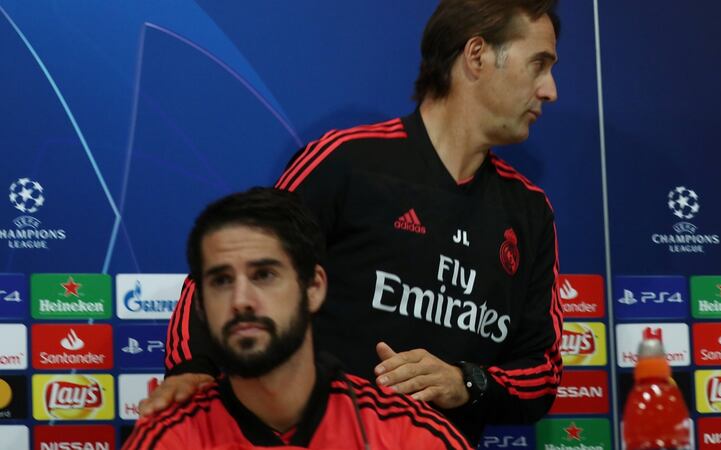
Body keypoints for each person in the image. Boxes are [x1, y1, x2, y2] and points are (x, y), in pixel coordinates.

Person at [142, 0, 563, 444]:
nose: (550, 90)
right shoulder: (347, 162)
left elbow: (541, 372)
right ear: (476, 55)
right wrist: (194, 369)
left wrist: (466, 382)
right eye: (538, 64)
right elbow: (231, 268)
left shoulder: (529, 211)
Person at [124, 188, 471, 449]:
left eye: (264, 275)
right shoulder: (168, 439)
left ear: (314, 288)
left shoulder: (410, 435)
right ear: (200, 305)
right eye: (221, 281)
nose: (241, 301)